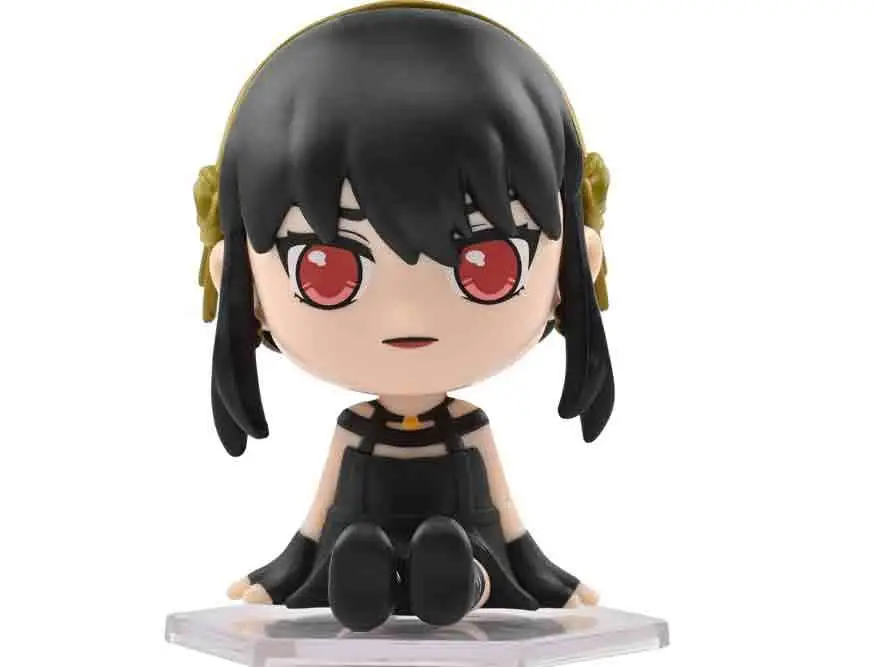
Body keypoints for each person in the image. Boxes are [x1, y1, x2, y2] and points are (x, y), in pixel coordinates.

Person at [195, 1, 614, 632]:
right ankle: (369, 574)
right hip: (353, 544)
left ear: (579, 261)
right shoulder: (357, 431)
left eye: (487, 264)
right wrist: (287, 570)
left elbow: (508, 523)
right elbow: (315, 521)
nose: (406, 311)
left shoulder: (465, 429)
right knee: (356, 545)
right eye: (326, 270)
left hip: (470, 548)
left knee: (457, 552)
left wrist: (540, 573)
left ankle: (455, 580)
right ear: (237, 276)